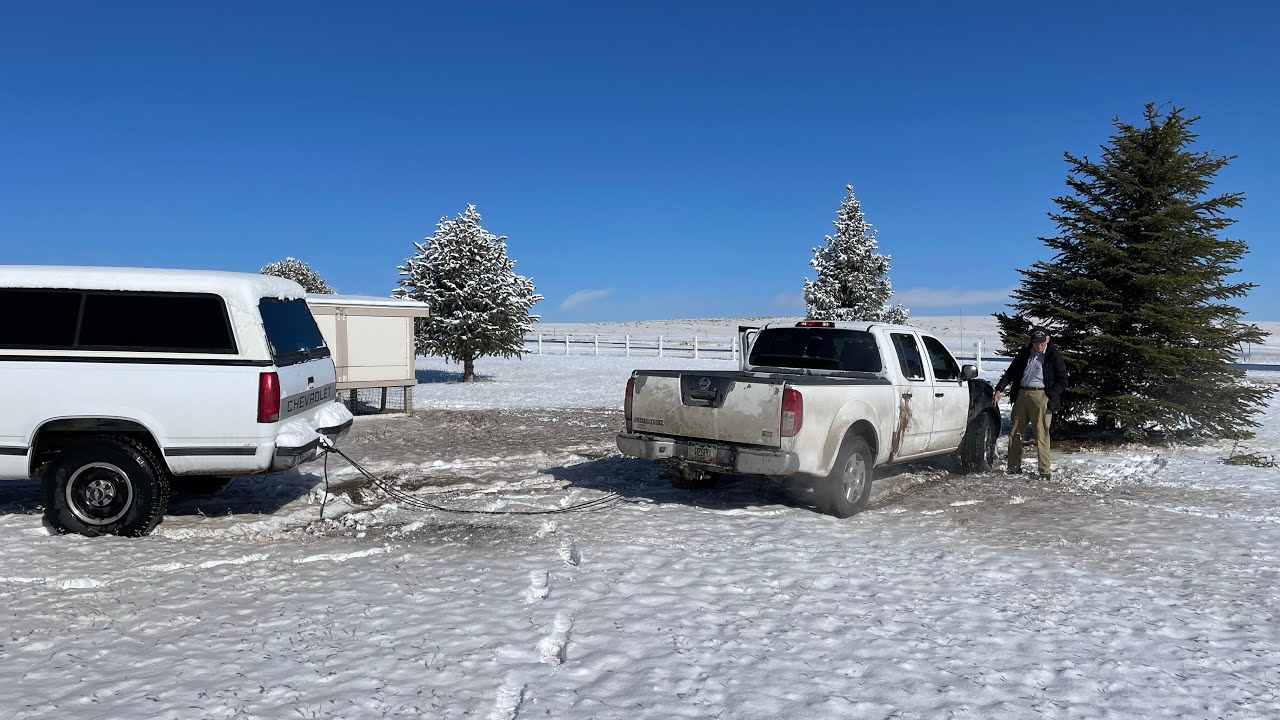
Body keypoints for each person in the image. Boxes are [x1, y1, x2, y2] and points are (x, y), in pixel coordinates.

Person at [992, 327, 1068, 479]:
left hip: (1041, 396)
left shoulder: (1053, 355)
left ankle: (1044, 471)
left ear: (1047, 339)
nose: (1037, 346)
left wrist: (1049, 395)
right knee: (1015, 432)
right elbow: (1011, 372)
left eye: (1040, 343)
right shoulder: (1025, 353)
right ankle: (1013, 467)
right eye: (1035, 343)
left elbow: (1062, 380)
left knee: (1041, 434)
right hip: (1021, 394)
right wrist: (999, 388)